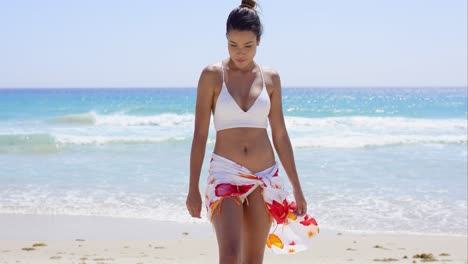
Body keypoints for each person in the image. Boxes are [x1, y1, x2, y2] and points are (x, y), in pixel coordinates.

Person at [186, 0, 319, 263]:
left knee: (252, 259)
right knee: (231, 256)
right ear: (226, 39)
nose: (240, 52)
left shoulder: (271, 78)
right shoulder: (212, 76)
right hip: (225, 172)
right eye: (233, 44)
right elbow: (200, 135)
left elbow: (280, 135)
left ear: (258, 41)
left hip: (265, 177)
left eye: (247, 45)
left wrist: (297, 188)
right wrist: (192, 188)